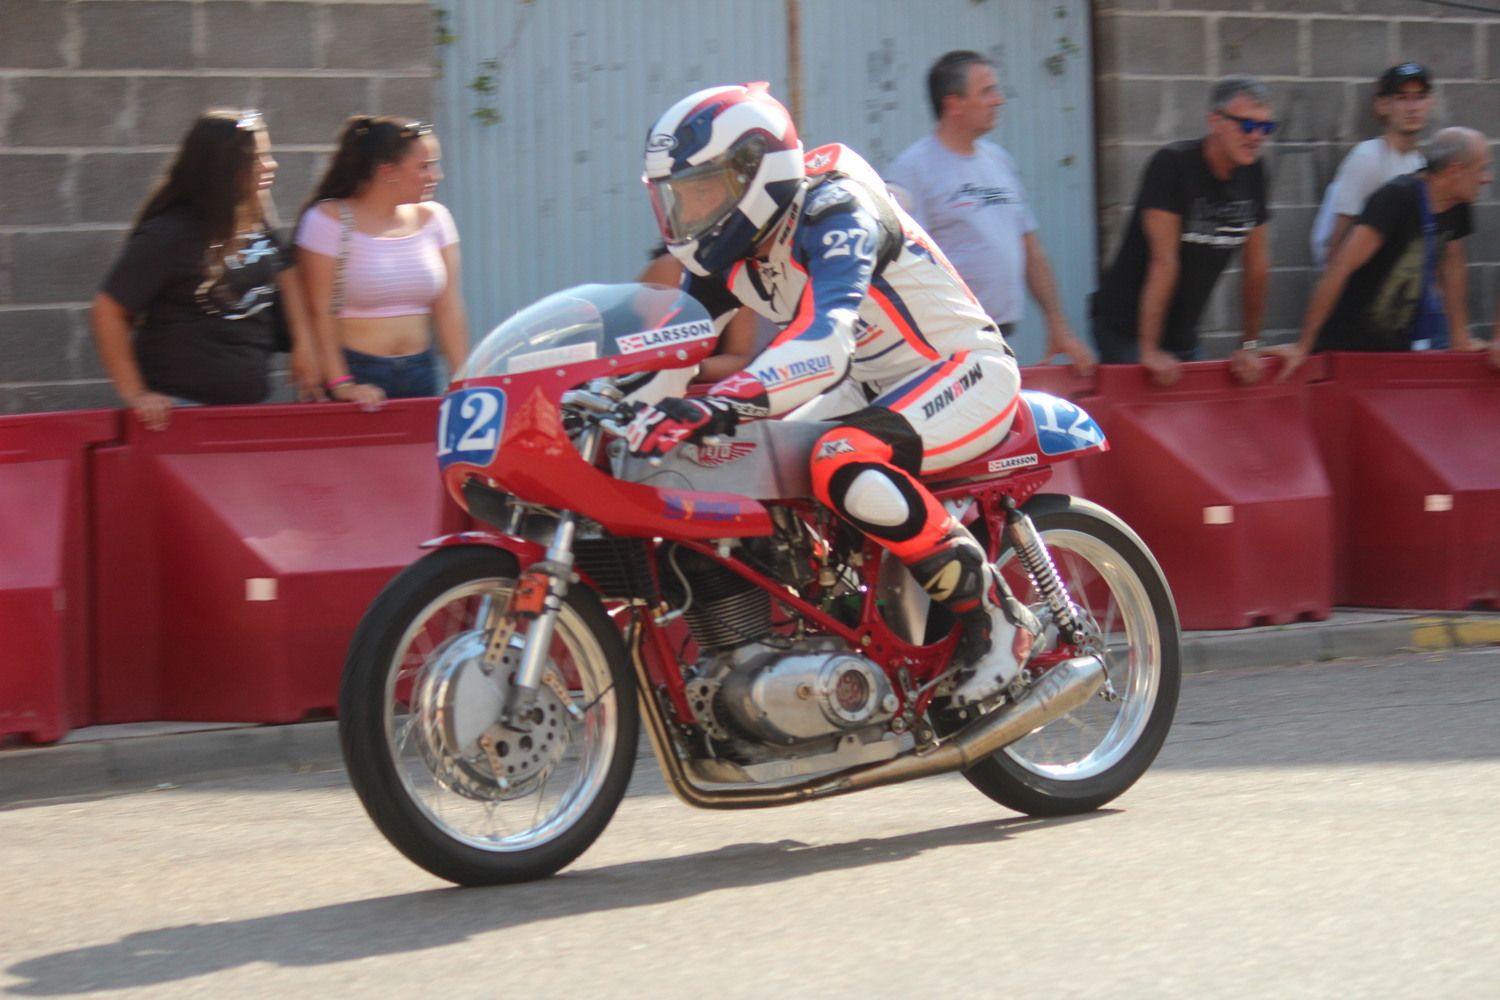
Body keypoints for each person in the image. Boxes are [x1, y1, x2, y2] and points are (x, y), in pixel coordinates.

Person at [625, 83, 1041, 706]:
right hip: (868, 386)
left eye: (702, 191)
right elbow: (668, 351)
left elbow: (824, 343)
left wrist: (725, 399)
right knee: (740, 459)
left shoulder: (836, 210)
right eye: (677, 198)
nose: (689, 212)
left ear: (753, 175)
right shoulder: (728, 252)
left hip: (962, 370)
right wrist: (612, 401)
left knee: (841, 459)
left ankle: (998, 618)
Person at [92, 110, 319, 431]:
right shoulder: (169, 234)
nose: (270, 165)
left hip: (250, 408)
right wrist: (136, 393)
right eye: (257, 158)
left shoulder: (254, 219)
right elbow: (108, 311)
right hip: (182, 413)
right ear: (225, 167)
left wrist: (304, 345)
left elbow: (285, 270)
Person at [882, 51, 1094, 375]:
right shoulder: (912, 171)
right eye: (987, 92)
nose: (999, 100)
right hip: (947, 347)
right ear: (954, 104)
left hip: (1000, 337)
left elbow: (1030, 249)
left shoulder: (999, 161)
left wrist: (1057, 322)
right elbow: (900, 264)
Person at [1092, 75, 1274, 386]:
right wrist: (1148, 350)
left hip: (1183, 334)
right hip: (1127, 326)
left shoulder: (1254, 172)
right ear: (1215, 121)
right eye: (1246, 125)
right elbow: (1164, 261)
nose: (1256, 136)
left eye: (1265, 128)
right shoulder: (1173, 165)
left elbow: (1257, 267)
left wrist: (1249, 345)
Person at [1277, 127, 1491, 380]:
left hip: (1397, 349)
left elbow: (1453, 264)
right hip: (1348, 347)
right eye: (1481, 168)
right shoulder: (1396, 198)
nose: (1486, 178)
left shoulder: (1458, 203)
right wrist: (1304, 345)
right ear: (1455, 170)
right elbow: (1340, 268)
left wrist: (1459, 338)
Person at [296, 116, 469, 405]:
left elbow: (448, 307)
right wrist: (342, 384)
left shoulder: (435, 218)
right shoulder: (328, 220)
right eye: (424, 167)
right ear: (388, 171)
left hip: (420, 371)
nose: (436, 175)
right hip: (358, 372)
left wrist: (464, 378)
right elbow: (320, 312)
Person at [1310, 63, 1433, 268]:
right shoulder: (1368, 157)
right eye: (1402, 98)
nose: (1413, 107)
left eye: (1420, 97)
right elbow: (1337, 243)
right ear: (1383, 105)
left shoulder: (1419, 162)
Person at [638, 244, 767, 382]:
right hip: (645, 387)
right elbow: (644, 348)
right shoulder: (670, 266)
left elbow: (739, 356)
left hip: (696, 394)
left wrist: (695, 370)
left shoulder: (741, 277)